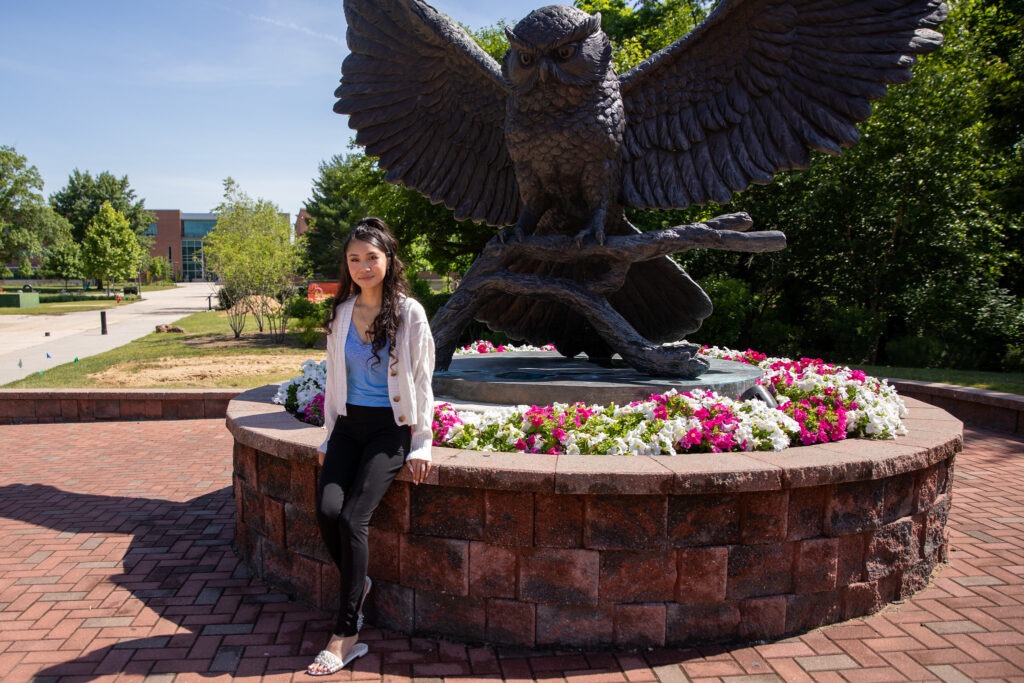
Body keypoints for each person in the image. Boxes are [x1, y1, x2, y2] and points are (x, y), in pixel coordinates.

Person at [306, 217, 435, 676]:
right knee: (326, 511)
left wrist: (421, 444)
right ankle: (358, 585)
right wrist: (327, 435)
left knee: (353, 517)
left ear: (388, 261)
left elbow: (421, 380)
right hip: (348, 426)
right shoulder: (341, 313)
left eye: (371, 258)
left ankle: (346, 635)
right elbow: (335, 381)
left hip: (389, 429)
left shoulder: (408, 313)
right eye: (354, 259)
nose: (363, 266)